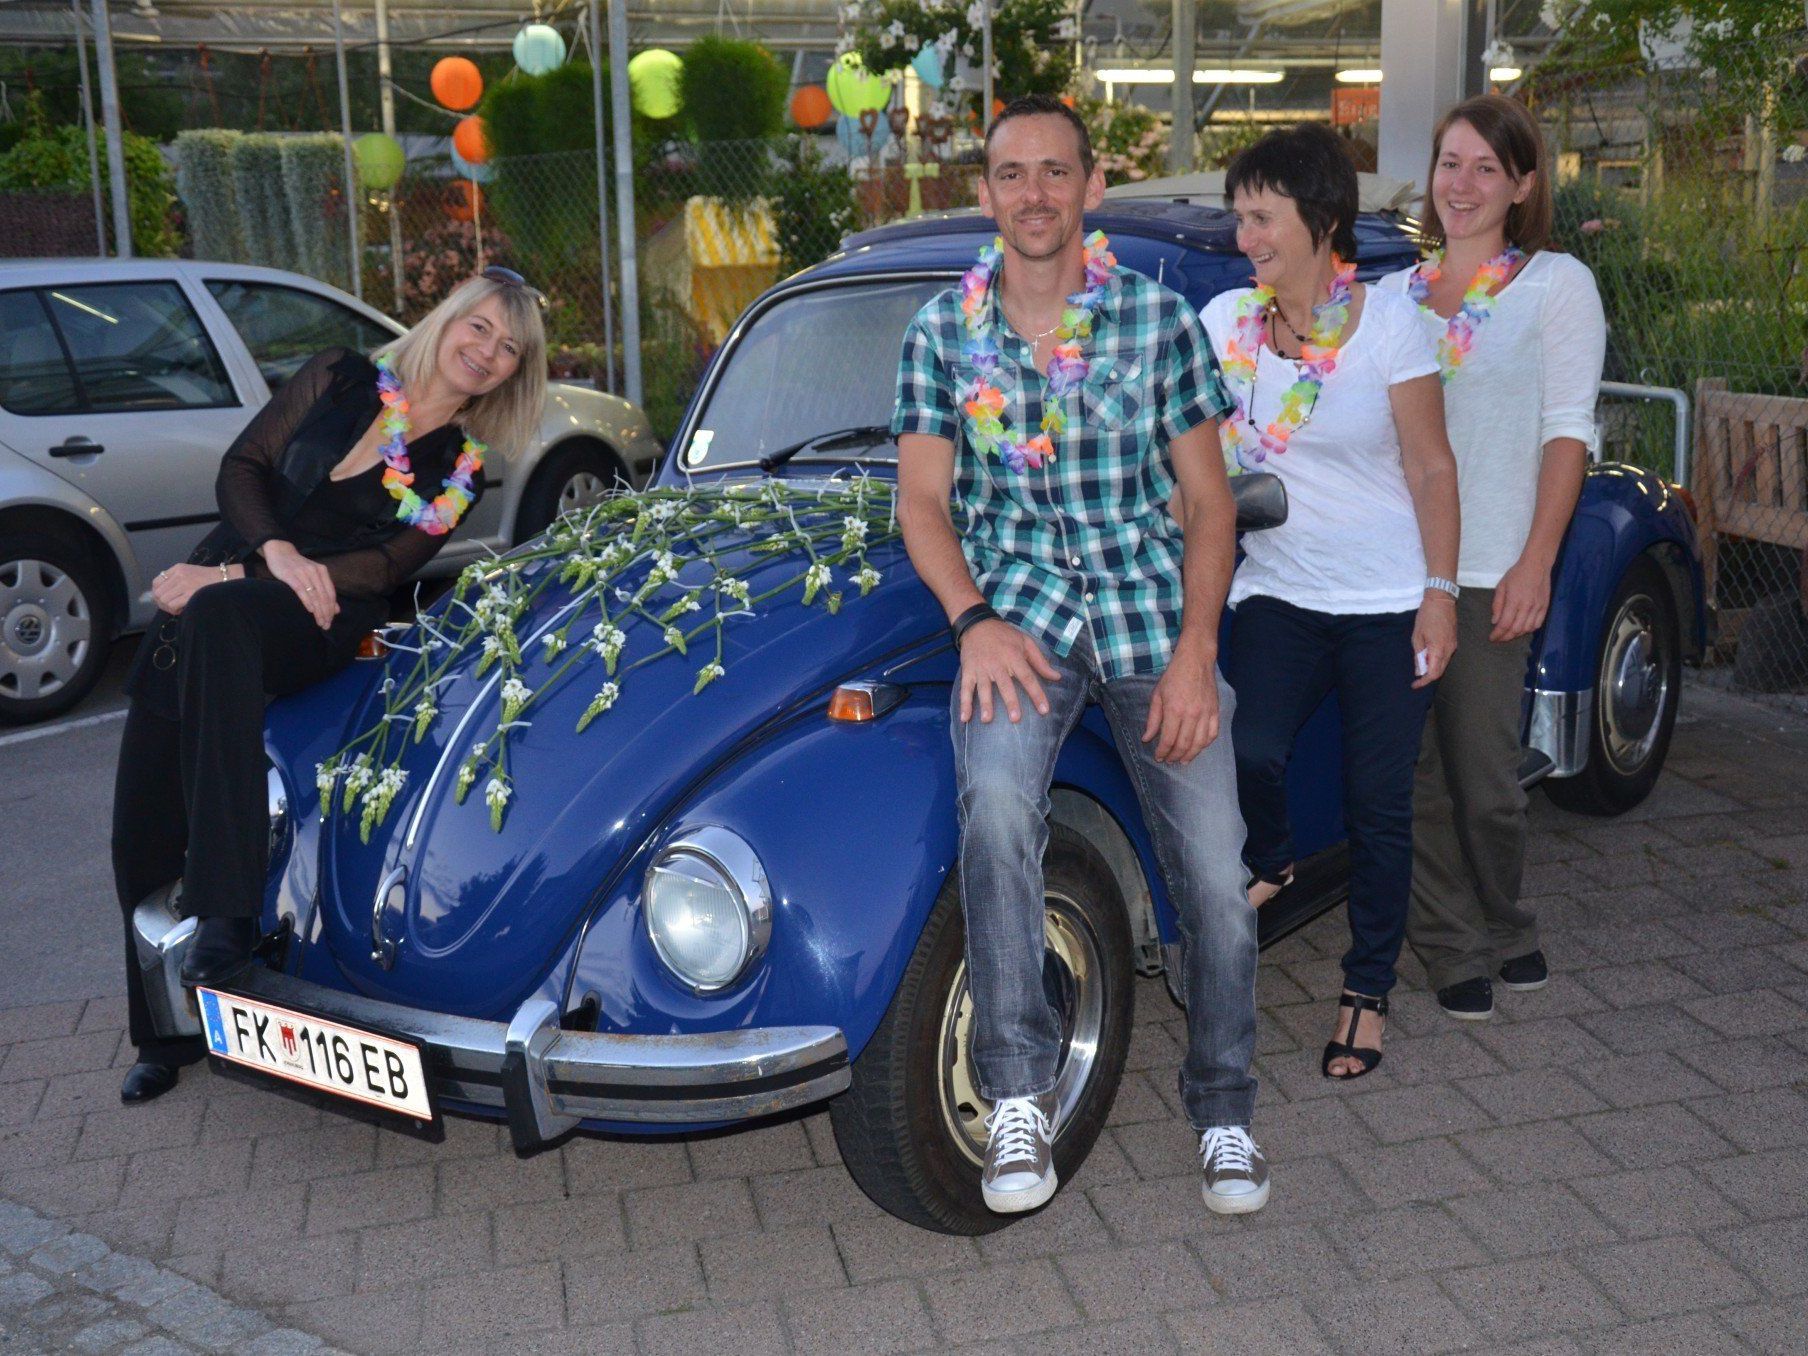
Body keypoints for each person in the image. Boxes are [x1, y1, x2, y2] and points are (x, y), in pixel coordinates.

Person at [894, 93, 1269, 1216]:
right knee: (999, 811)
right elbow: (921, 502)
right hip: (1018, 626)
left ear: (1091, 187)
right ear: (984, 193)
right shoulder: (939, 333)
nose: (1034, 195)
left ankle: (1225, 1109)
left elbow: (1209, 506)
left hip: (1153, 619)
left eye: (1056, 173)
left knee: (1213, 870)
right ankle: (1015, 1094)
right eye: (1012, 175)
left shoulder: (1155, 327)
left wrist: (1199, 651)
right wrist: (971, 621)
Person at [113, 269, 547, 1104]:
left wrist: (252, 573)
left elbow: (385, 567)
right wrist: (260, 556)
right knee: (140, 826)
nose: (487, 353)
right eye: (481, 328)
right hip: (211, 594)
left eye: (509, 350)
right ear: (449, 317)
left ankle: (228, 914)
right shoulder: (338, 375)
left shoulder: (460, 467)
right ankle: (163, 1037)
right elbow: (243, 467)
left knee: (222, 619)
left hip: (313, 619)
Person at [1202, 123, 1461, 1080]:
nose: (1247, 239)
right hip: (1278, 589)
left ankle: (1366, 991)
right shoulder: (1227, 323)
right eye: (1239, 218)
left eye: (1262, 218)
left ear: (1320, 220)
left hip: (1390, 596)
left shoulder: (1391, 322)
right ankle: (1272, 861)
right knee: (1254, 747)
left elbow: (1433, 468)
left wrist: (1439, 595)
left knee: (1378, 805)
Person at [1379, 95, 1606, 1020]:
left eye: (1484, 168)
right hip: (1396, 569)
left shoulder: (1556, 286)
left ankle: (1507, 921)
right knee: (1416, 774)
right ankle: (1447, 943)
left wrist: (1536, 561)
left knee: (1484, 773)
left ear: (1521, 184)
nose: (1461, 185)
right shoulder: (1398, 296)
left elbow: (1566, 433)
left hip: (1491, 570)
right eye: (1449, 164)